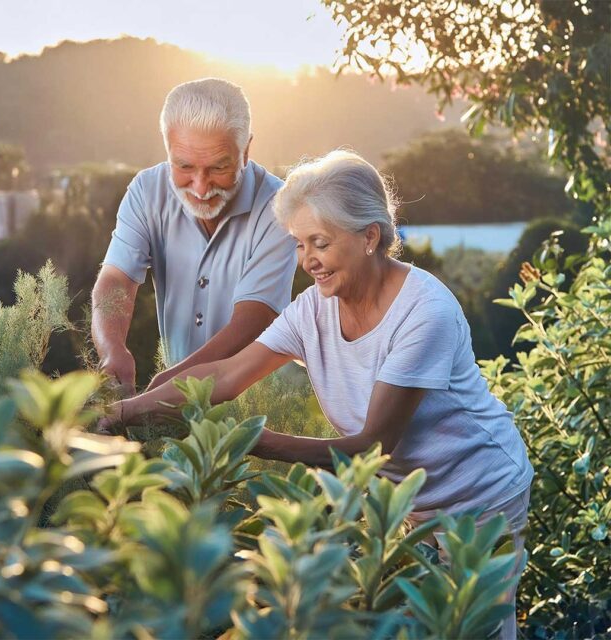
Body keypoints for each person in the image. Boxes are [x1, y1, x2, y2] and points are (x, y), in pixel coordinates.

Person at [99, 150, 533, 639]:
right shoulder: (314, 310)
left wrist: (250, 440)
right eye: (300, 244)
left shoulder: (423, 313)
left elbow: (371, 448)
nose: (308, 261)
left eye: (320, 243)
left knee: (475, 629)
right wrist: (120, 413)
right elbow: (225, 374)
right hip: (408, 502)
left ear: (370, 236)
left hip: (481, 495)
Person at [91, 78, 297, 395]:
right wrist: (112, 350)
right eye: (184, 166)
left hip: (263, 405)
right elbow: (117, 279)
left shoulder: (278, 207)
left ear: (246, 151)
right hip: (178, 405)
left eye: (218, 167)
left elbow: (255, 318)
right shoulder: (146, 191)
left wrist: (166, 386)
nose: (201, 188)